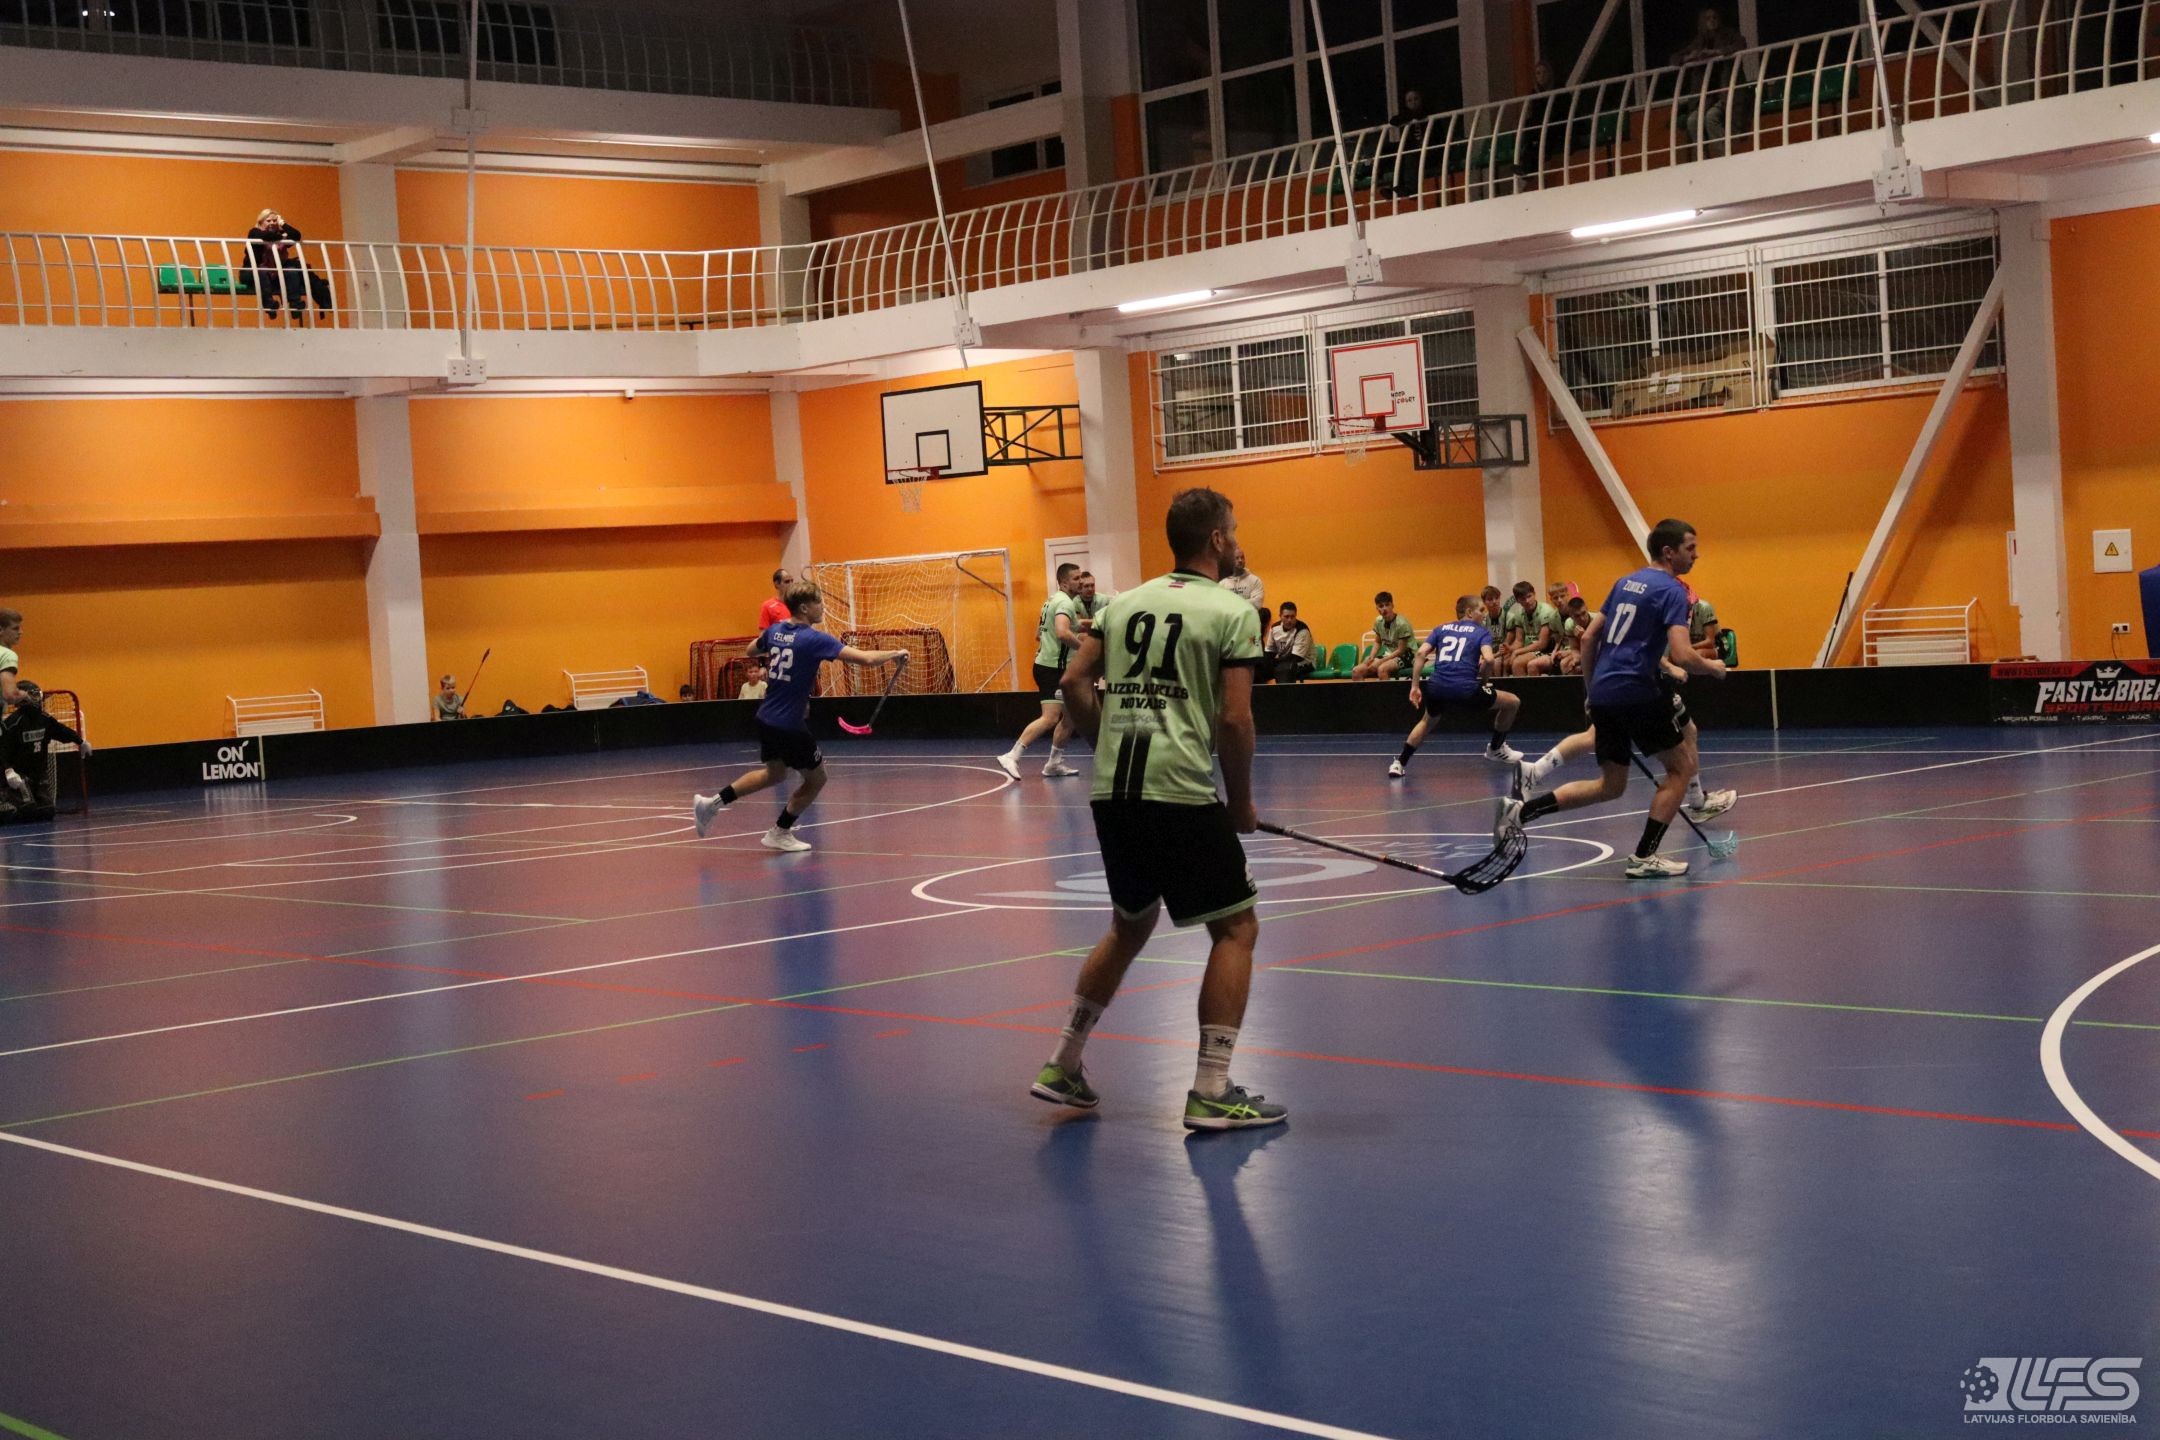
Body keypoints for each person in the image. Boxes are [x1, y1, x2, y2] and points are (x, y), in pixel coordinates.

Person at [1030, 486, 1283, 1132]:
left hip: (1113, 793)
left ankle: (1063, 1061)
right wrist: (1241, 801)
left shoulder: (1120, 605)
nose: (1238, 540)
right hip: (1179, 791)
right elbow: (1236, 719)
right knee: (1237, 928)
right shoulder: (1233, 611)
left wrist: (1103, 741)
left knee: (1130, 923)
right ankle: (1212, 1089)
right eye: (1234, 529)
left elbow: (1073, 681)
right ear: (1217, 539)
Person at [1498, 518, 1727, 879]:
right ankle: (1644, 857)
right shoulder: (1673, 591)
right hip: (1638, 691)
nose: (1696, 555)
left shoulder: (1624, 582)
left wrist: (1593, 692)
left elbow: (1589, 639)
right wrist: (1713, 667)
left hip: (1606, 690)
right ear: (1669, 552)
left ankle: (1519, 813)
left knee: (1611, 785)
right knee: (1680, 768)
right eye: (1691, 548)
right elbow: (1683, 654)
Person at [691, 582, 906, 853]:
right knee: (817, 779)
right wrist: (895, 654)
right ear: (804, 608)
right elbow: (866, 660)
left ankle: (710, 804)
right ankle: (780, 831)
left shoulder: (775, 630)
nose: (823, 607)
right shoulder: (815, 639)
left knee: (774, 773)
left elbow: (751, 650)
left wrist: (777, 646)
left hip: (766, 717)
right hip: (789, 724)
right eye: (819, 602)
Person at [1392, 596, 1523, 778]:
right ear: (1469, 612)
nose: (1484, 615)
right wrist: (1483, 683)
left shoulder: (1441, 628)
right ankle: (1495, 748)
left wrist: (1414, 686)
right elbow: (1489, 659)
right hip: (1465, 690)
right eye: (1481, 610)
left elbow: (1421, 653)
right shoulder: (1481, 632)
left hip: (1436, 687)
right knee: (1513, 702)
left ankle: (1399, 763)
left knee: (1426, 721)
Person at [999, 564, 1087, 780]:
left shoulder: (1053, 600)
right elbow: (1063, 632)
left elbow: (1048, 631)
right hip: (1051, 670)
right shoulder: (1065, 602)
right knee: (1050, 718)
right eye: (1076, 579)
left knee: (1070, 717)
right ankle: (1012, 755)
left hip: (1055, 667)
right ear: (1064, 582)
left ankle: (1054, 763)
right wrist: (1084, 650)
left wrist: (1097, 622)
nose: (1081, 582)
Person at [0, 682, 87, 826]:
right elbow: (2, 750)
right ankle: (4, 798)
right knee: (27, 810)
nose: (37, 698)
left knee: (47, 811)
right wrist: (8, 770)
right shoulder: (13, 723)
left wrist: (80, 741)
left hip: (38, 774)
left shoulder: (44, 719)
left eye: (37, 694)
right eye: (33, 695)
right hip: (18, 776)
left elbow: (61, 730)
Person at [1671, 6, 1746, 144]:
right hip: (1706, 96)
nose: (1712, 20)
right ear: (1702, 22)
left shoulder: (1729, 35)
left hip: (1724, 92)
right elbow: (1674, 58)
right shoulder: (1699, 41)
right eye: (1708, 18)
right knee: (1692, 121)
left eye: (1714, 17)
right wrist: (1689, 57)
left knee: (1711, 117)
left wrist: (1716, 53)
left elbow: (1741, 44)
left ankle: (1725, 152)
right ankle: (1702, 154)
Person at [246, 208, 313, 322]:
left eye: (274, 221)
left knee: (291, 271)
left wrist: (282, 223)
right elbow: (267, 236)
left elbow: (296, 235)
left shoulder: (279, 234)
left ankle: (295, 305)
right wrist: (283, 237)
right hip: (258, 271)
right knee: (262, 271)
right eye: (268, 221)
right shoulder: (255, 232)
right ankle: (269, 306)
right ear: (261, 222)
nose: (272, 223)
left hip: (278, 272)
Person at [1350, 592, 1416, 680]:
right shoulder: (1378, 621)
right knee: (1357, 671)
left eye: (1387, 605)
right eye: (1381, 606)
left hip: (1407, 656)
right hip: (1390, 655)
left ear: (1392, 605)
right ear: (1377, 608)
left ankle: (1386, 690)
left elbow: (1400, 651)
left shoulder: (1401, 624)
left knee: (1382, 669)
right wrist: (1371, 657)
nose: (1384, 608)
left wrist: (1381, 661)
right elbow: (1378, 642)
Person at [1507, 581, 1566, 677]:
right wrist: (1510, 649)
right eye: (1523, 599)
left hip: (1545, 649)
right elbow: (1519, 641)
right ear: (1517, 600)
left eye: (1529, 596)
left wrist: (1517, 652)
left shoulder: (1546, 611)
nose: (1527, 601)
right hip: (1531, 649)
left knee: (1517, 663)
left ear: (1534, 594)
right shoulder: (1519, 614)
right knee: (1503, 662)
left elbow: (1542, 644)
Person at [1258, 601, 1316, 684]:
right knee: (1259, 669)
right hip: (1283, 661)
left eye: (1292, 617)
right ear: (1280, 616)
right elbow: (1270, 651)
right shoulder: (1274, 628)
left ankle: (1286, 693)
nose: (1289, 620)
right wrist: (1264, 662)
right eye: (1286, 617)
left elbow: (1296, 657)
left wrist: (1275, 662)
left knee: (1285, 669)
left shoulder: (1302, 630)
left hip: (1305, 663)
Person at [1687, 586, 1724, 660]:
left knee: (1698, 654)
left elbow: (1710, 642)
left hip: (1716, 647)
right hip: (1691, 648)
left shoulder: (1704, 607)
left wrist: (1687, 648)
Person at [1222, 546, 1263, 612]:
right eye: (1237, 558)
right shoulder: (1222, 583)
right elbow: (1220, 605)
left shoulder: (1255, 580)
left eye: (1242, 557)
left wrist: (1232, 604)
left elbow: (1257, 604)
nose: (1240, 560)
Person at [757, 569, 794, 634]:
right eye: (787, 582)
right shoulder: (767, 606)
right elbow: (763, 634)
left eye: (792, 581)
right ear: (777, 584)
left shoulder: (798, 604)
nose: (791, 584)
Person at [0, 608, 20, 708]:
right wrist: (26, 695)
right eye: (15, 628)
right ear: (0, 630)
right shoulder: (7, 655)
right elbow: (10, 695)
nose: (20, 632)